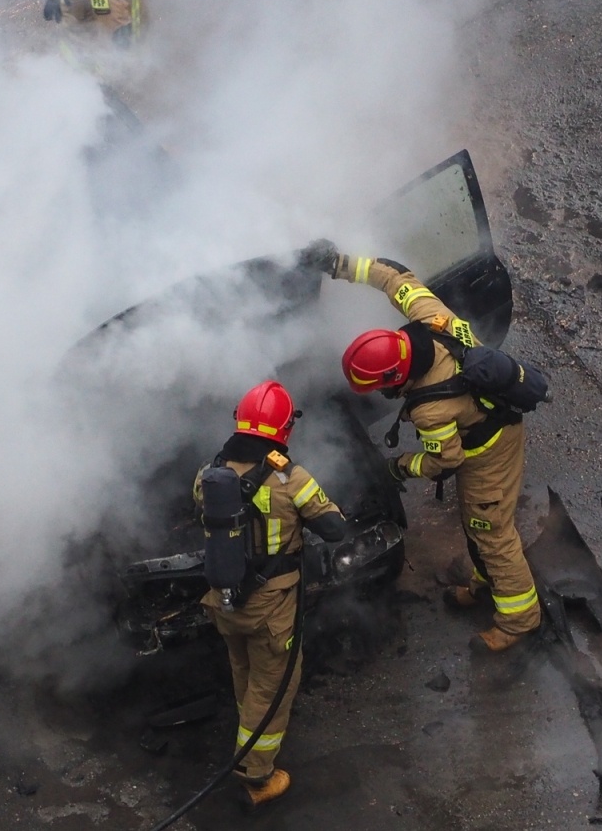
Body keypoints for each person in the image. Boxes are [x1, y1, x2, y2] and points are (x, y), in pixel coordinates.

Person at [301, 241, 542, 652]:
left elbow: (445, 461)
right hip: (486, 423)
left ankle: (519, 619)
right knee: (480, 525)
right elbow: (395, 275)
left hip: (489, 450)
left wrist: (399, 468)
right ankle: (487, 582)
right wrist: (338, 264)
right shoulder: (432, 316)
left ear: (395, 375)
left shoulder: (433, 409)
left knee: (490, 530)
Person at [194, 380, 347, 808]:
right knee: (272, 685)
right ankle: (256, 776)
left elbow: (198, 510)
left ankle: (249, 740)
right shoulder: (289, 477)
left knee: (244, 671)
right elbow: (335, 528)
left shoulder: (210, 473)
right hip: (272, 608)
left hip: (224, 602)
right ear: (284, 430)